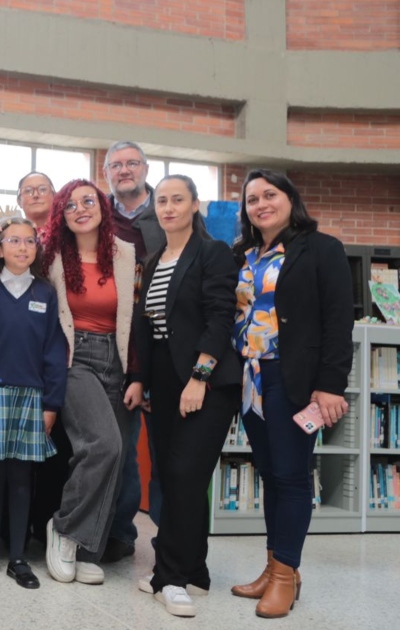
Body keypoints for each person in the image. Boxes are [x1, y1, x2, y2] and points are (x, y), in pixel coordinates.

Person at [229, 169, 352, 619]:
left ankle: (286, 577)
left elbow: (339, 323)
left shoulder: (322, 249)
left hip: (293, 379)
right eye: (252, 199)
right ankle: (275, 565)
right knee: (270, 475)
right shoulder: (242, 254)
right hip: (250, 380)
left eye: (270, 194)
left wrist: (330, 386)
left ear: (290, 198)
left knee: (292, 476)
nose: (260, 203)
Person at [129, 175, 239, 617]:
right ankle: (195, 569)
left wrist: (200, 376)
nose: (169, 207)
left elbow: (220, 316)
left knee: (184, 475)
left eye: (178, 199)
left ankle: (168, 578)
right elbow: (149, 329)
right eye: (162, 201)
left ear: (195, 205)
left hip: (204, 381)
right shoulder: (155, 259)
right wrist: (142, 379)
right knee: (176, 479)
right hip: (165, 381)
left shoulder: (212, 253)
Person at [38, 180, 141, 587]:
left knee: (116, 458)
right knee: (103, 444)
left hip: (115, 360)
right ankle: (64, 530)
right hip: (72, 357)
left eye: (89, 201)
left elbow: (137, 322)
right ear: (61, 216)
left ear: (103, 207)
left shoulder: (126, 253)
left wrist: (136, 374)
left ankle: (86, 551)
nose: (81, 209)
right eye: (71, 205)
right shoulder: (50, 258)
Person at [0, 218, 67, 590]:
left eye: (30, 241)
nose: (22, 247)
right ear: (0, 248)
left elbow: (54, 351)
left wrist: (51, 403)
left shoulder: (45, 292)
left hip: (32, 395)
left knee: (22, 479)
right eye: (14, 240)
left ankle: (19, 557)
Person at [101, 140, 164, 562]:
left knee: (129, 449)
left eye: (131, 163)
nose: (124, 171)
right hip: (99, 342)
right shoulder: (97, 213)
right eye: (115, 165)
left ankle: (122, 533)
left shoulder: (169, 211)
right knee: (98, 446)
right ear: (106, 173)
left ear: (145, 168)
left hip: (153, 348)